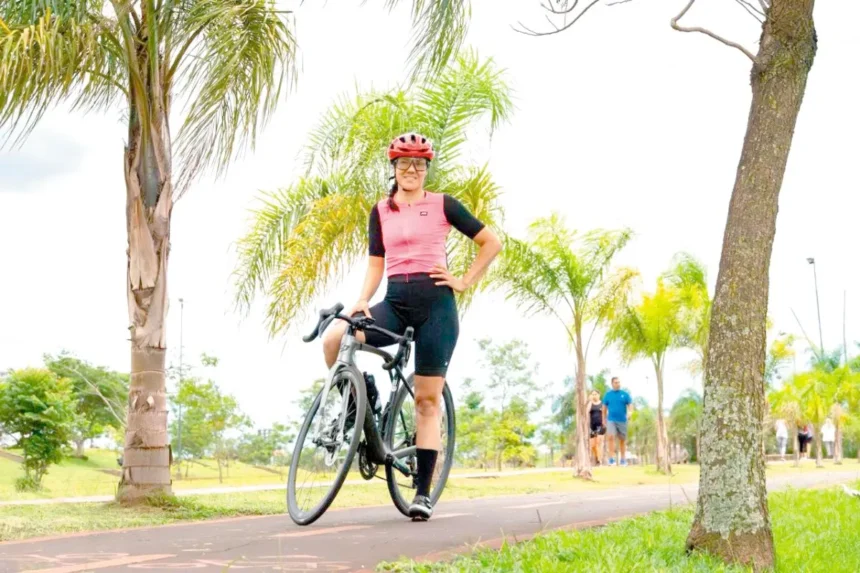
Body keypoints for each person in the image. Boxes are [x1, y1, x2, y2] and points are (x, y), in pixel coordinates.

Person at [322, 133, 502, 521]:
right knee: (335, 337)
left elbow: (491, 242)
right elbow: (376, 263)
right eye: (404, 163)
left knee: (426, 402)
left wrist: (464, 281)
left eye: (419, 163)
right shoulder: (380, 211)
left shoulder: (443, 204)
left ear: (426, 169)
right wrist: (362, 299)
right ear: (394, 168)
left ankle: (422, 493)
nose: (411, 169)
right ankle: (359, 403)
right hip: (394, 304)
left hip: (437, 309)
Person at [602, 377, 632, 466]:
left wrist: (630, 412)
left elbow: (630, 405)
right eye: (616, 382)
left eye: (619, 382)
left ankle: (623, 460)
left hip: (622, 420)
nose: (618, 384)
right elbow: (604, 408)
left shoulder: (625, 394)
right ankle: (611, 459)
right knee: (610, 437)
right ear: (612, 384)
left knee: (622, 440)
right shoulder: (608, 395)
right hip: (611, 419)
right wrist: (603, 419)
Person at [588, 390, 606, 465]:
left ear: (599, 395)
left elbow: (607, 413)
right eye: (592, 394)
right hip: (592, 426)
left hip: (601, 425)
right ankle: (597, 457)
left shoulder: (602, 404)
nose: (594, 395)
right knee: (592, 445)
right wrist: (590, 401)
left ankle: (600, 461)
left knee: (599, 443)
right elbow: (586, 411)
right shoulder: (590, 404)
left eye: (595, 394)